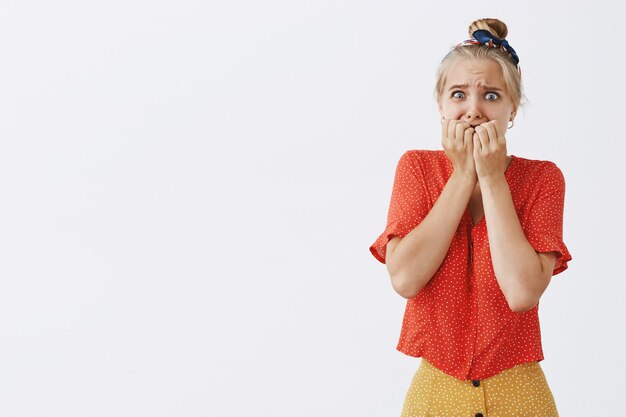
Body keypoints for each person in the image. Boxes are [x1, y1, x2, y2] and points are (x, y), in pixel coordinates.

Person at [369, 18, 572, 417]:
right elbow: (406, 279)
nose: (473, 111)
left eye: (492, 96)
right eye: (459, 94)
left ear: (512, 109)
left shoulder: (542, 178)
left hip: (520, 392)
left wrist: (493, 178)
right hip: (435, 391)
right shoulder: (417, 169)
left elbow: (521, 293)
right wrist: (463, 175)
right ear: (441, 104)